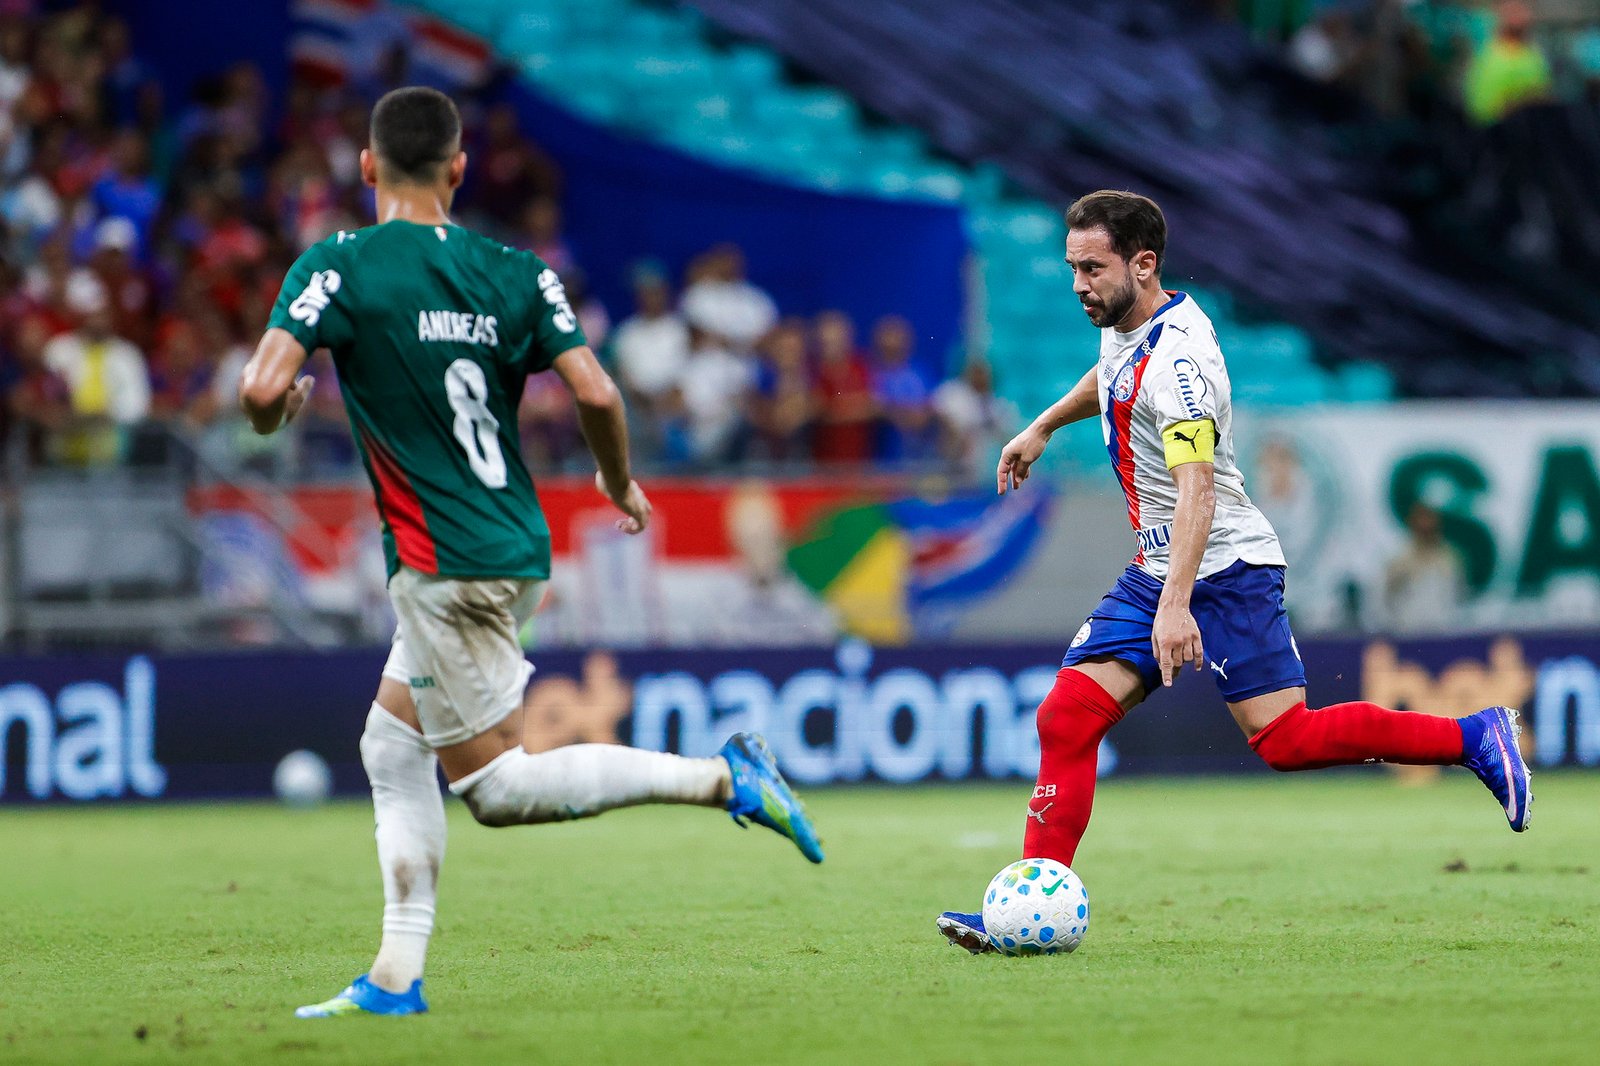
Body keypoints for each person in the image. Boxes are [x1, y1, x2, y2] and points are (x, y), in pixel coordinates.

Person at [237, 87, 823, 1018]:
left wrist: (283, 406)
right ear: (460, 170)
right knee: (390, 744)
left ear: (366, 168)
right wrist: (619, 481)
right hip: (512, 544)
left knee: (498, 789)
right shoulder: (519, 271)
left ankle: (723, 779)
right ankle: (394, 978)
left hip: (441, 563)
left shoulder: (338, 265)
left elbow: (262, 390)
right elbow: (596, 393)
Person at [935, 190, 1532, 955]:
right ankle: (1028, 908)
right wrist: (1043, 425)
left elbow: (1199, 490)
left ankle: (1473, 736)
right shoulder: (1128, 326)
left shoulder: (1180, 363)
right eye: (1071, 269)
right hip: (1163, 564)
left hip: (1223, 568)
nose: (1078, 284)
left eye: (1092, 268)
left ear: (1143, 265)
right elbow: (1112, 379)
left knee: (1284, 739)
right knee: (1067, 717)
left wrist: (1176, 605)